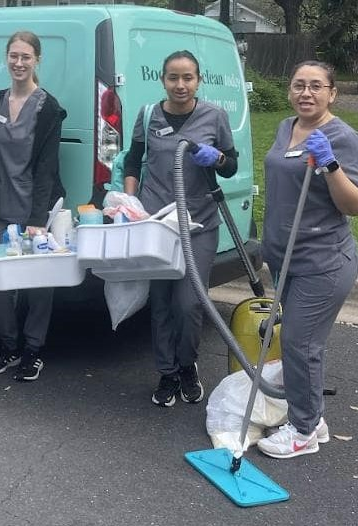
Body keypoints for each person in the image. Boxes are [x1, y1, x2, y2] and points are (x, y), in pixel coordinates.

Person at [256, 60, 358, 459]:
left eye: (316, 86)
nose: (306, 92)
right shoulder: (286, 126)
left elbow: (357, 204)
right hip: (284, 258)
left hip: (323, 261)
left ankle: (303, 430)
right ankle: (312, 419)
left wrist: (330, 164)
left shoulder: (343, 137)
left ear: (332, 93)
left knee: (299, 343)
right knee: (302, 344)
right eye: (299, 85)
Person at [123, 50, 238, 407]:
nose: (180, 85)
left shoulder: (214, 117)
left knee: (189, 304)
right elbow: (132, 160)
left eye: (187, 78)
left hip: (198, 223)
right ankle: (167, 372)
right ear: (163, 80)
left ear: (198, 81)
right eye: (173, 77)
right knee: (161, 304)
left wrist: (216, 158)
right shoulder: (148, 115)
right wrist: (130, 203)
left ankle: (187, 365)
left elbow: (231, 166)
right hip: (157, 225)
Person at [0, 31, 67, 381]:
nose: (19, 63)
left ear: (37, 59)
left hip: (37, 207)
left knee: (39, 284)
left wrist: (38, 220)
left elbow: (47, 167)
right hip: (3, 205)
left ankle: (33, 352)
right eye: (14, 56)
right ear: (6, 58)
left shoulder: (48, 107)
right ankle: (9, 347)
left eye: (26, 56)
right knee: (1, 283)